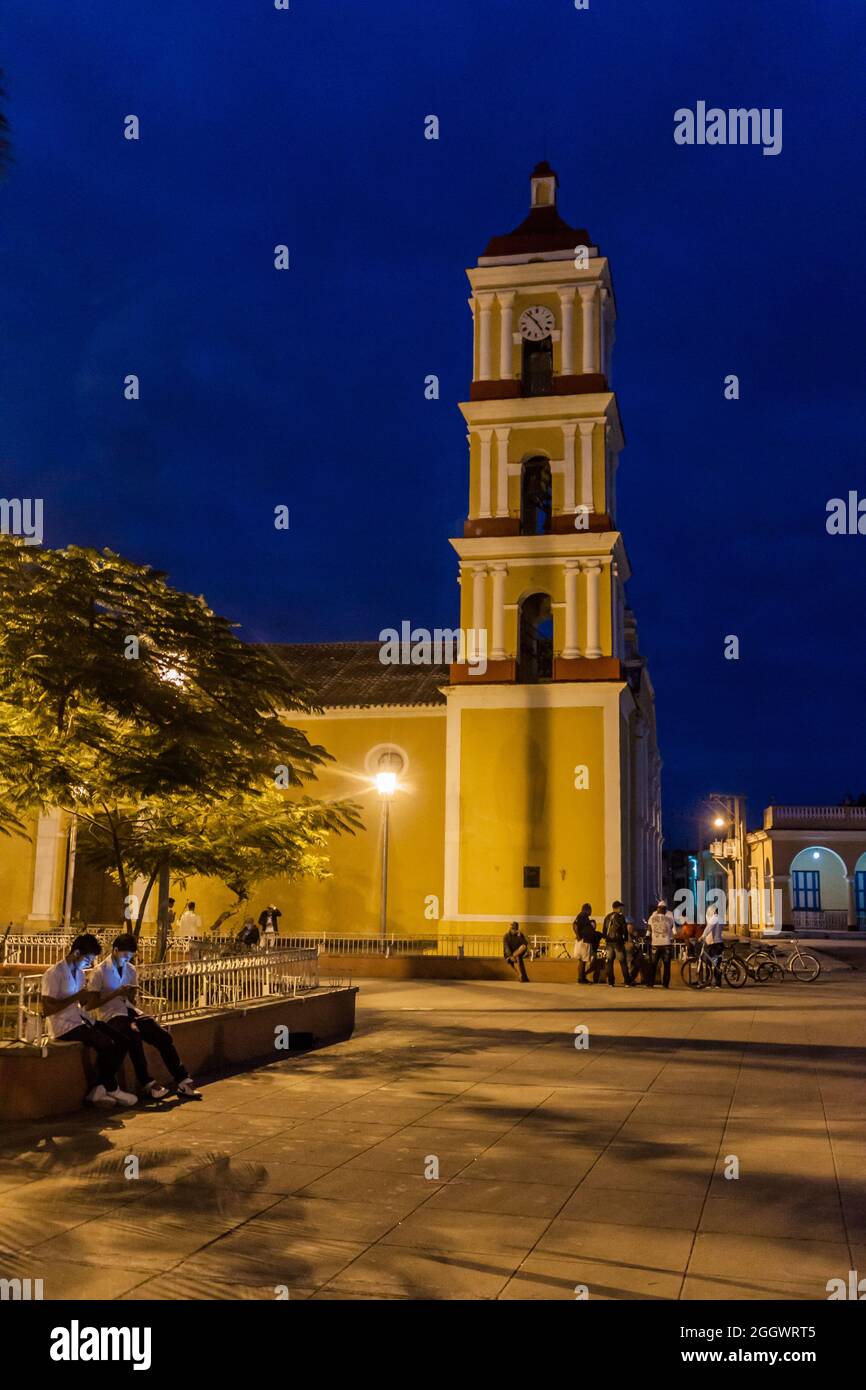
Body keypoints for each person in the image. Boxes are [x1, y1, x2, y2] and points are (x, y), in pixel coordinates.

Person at [89, 934, 200, 1100]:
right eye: (125, 955)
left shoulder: (130, 970)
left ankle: (183, 1079)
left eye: (130, 956)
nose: (127, 959)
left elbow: (132, 1000)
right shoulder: (100, 971)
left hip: (130, 1010)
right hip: (111, 1015)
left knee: (162, 1036)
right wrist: (116, 993)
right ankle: (147, 1082)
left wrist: (131, 994)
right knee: (133, 1035)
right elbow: (91, 1004)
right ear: (115, 950)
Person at [40, 934, 137, 1109]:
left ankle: (99, 1088)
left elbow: (85, 1003)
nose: (89, 964)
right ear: (76, 953)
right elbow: (47, 1009)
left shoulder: (79, 974)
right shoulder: (54, 973)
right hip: (64, 1025)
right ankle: (111, 1087)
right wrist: (76, 996)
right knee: (106, 1043)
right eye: (87, 959)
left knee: (123, 1039)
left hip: (81, 1019)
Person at [602, 900, 633, 987]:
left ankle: (611, 982)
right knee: (623, 962)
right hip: (618, 943)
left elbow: (604, 930)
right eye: (620, 907)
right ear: (617, 908)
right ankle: (627, 982)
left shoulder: (607, 917)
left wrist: (606, 938)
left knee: (609, 962)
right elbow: (624, 929)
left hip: (609, 943)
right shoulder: (620, 917)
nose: (621, 909)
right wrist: (625, 939)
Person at [648, 900, 676, 988]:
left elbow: (649, 930)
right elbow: (672, 929)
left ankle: (650, 983)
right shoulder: (670, 918)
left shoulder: (651, 918)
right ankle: (665, 984)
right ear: (665, 909)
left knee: (653, 964)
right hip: (666, 943)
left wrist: (648, 937)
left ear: (658, 908)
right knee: (667, 965)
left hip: (655, 944)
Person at [573, 904, 600, 985]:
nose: (591, 912)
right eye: (590, 910)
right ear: (587, 910)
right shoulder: (583, 916)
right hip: (584, 941)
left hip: (584, 940)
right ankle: (581, 978)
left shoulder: (582, 916)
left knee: (582, 961)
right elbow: (575, 925)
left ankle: (581, 977)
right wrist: (578, 935)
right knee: (583, 960)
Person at [701, 902, 724, 987]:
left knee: (708, 963)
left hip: (712, 944)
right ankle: (717, 983)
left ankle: (708, 981)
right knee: (717, 963)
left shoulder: (714, 918)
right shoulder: (720, 918)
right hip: (718, 943)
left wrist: (702, 936)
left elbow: (709, 928)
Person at [626, 915, 648, 986]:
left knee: (640, 963)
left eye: (632, 927)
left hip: (633, 954)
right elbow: (629, 947)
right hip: (629, 955)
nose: (631, 928)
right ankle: (630, 979)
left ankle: (634, 979)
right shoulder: (626, 936)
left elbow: (636, 945)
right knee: (634, 964)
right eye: (629, 927)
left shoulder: (633, 936)